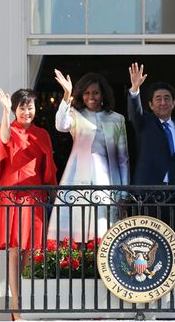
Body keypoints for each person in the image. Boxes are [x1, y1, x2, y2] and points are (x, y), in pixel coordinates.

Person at [0, 88, 57, 320]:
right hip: (13, 195)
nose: (26, 112)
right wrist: (5, 110)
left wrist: (51, 191)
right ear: (15, 109)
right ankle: (15, 304)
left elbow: (48, 166)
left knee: (31, 250)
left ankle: (26, 298)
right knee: (14, 250)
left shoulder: (42, 134)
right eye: (22, 107)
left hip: (34, 194)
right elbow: (5, 138)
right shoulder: (9, 127)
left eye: (30, 107)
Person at [47, 69, 129, 243]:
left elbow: (123, 159)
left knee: (103, 228)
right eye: (87, 93)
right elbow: (61, 126)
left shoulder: (117, 119)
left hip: (107, 179)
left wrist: (123, 193)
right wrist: (66, 95)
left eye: (96, 93)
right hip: (77, 178)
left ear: (103, 95)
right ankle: (78, 266)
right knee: (77, 229)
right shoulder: (75, 114)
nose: (91, 97)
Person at [127, 63, 175, 233]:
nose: (163, 102)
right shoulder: (144, 123)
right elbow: (135, 112)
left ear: (174, 103)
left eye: (167, 98)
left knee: (174, 244)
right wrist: (135, 89)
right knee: (148, 242)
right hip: (149, 197)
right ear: (151, 104)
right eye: (158, 98)